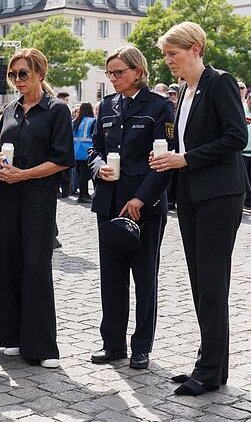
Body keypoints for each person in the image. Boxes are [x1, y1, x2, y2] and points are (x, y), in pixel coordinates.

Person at [150, 21, 248, 396]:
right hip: (192, 194)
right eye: (165, 55)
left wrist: (186, 159)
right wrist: (171, 158)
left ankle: (209, 370)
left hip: (220, 194)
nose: (168, 61)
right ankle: (211, 363)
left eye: (172, 54)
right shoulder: (185, 90)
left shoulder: (219, 81)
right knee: (200, 281)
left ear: (194, 48)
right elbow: (188, 141)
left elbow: (235, 137)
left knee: (211, 281)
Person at [88, 46, 174, 371]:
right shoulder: (107, 105)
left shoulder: (160, 107)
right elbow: (95, 149)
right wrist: (98, 168)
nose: (113, 79)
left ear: (138, 71)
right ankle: (113, 344)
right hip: (109, 202)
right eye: (109, 73)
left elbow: (165, 161)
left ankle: (141, 346)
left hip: (143, 206)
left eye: (118, 72)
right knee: (111, 277)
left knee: (144, 278)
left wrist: (142, 198)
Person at [0, 48, 73, 367]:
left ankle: (42, 346)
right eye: (13, 75)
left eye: (23, 74)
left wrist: (24, 173)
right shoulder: (9, 110)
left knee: (36, 264)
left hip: (38, 195)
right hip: (7, 195)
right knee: (7, 260)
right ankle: (11, 336)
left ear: (40, 73)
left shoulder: (56, 110)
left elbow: (62, 159)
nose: (18, 80)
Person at [72, 102, 96, 203]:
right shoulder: (92, 121)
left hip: (76, 152)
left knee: (81, 175)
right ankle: (84, 196)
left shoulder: (75, 121)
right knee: (90, 175)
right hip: (88, 151)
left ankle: (83, 194)